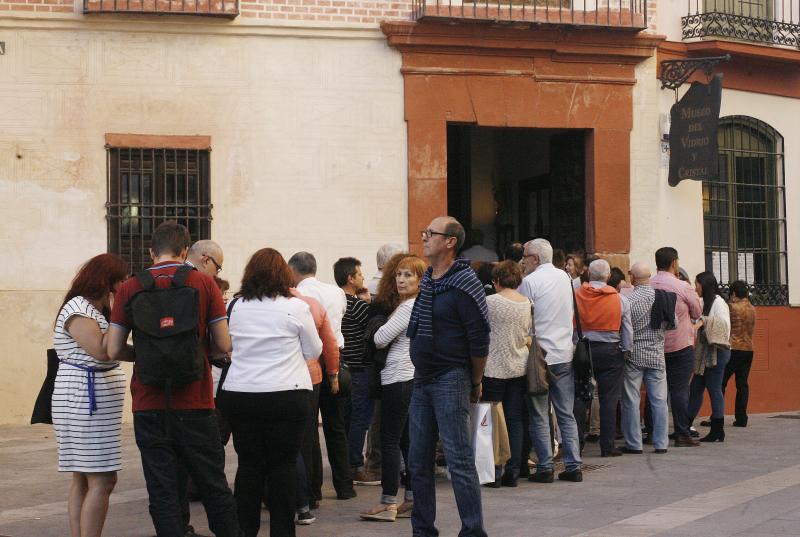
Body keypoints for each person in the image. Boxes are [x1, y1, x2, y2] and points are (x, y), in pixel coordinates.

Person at [107, 221, 240, 537]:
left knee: (163, 489)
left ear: (151, 252)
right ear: (185, 251)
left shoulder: (130, 287)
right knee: (213, 485)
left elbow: (112, 349)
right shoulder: (204, 284)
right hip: (196, 401)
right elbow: (223, 344)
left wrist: (144, 354)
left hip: (149, 403)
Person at [217, 248, 322, 537]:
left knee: (249, 465)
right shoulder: (296, 307)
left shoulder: (234, 306)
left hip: (242, 393)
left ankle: (245, 530)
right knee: (283, 466)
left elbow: (226, 346)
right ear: (284, 275)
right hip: (287, 394)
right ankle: (282, 531)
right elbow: (314, 350)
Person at [407, 216, 490, 537]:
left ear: (450, 241)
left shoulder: (464, 284)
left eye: (431, 233)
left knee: (458, 460)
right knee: (418, 460)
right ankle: (423, 529)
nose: (424, 237)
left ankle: (472, 530)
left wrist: (475, 380)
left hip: (451, 378)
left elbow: (479, 338)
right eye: (424, 232)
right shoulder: (429, 279)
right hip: (422, 379)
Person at [52, 253, 130, 537]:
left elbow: (117, 348)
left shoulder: (97, 310)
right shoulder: (78, 308)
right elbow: (101, 350)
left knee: (85, 478)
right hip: (83, 400)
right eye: (122, 279)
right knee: (102, 479)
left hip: (91, 401)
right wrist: (120, 310)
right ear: (107, 280)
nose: (125, 284)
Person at [360, 254, 426, 522]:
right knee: (407, 441)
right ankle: (410, 498)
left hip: (398, 378)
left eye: (409, 275)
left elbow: (379, 339)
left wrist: (379, 325)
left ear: (422, 280)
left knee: (389, 441)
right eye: (399, 274)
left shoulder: (409, 306)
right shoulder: (416, 304)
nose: (401, 279)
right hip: (408, 378)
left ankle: (387, 502)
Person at [288, 252, 355, 500]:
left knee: (310, 431)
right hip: (338, 353)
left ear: (293, 270)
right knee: (336, 426)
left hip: (313, 360)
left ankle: (313, 490)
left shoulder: (300, 296)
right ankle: (345, 486)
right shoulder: (335, 292)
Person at [519, 239, 583, 483]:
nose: (523, 261)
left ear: (535, 258)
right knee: (566, 413)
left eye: (525, 256)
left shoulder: (530, 282)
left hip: (540, 355)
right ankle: (574, 464)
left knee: (538, 412)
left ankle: (545, 467)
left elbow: (526, 319)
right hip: (564, 351)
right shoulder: (564, 278)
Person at [289, 285, 340, 524]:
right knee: (308, 441)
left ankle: (276, 496)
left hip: (275, 383)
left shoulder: (257, 303)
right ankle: (311, 494)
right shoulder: (312, 304)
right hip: (311, 378)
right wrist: (333, 372)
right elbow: (328, 343)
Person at [573, 259, 633, 457]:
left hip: (583, 350)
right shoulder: (619, 299)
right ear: (608, 277)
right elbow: (627, 330)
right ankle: (607, 447)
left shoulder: (577, 295)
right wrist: (625, 349)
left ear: (588, 275)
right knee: (609, 399)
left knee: (581, 397)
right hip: (610, 351)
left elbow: (570, 323)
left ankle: (576, 444)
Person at [481, 260, 531, 487]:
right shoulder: (526, 302)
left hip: (493, 366)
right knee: (515, 419)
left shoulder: (489, 301)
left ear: (497, 280)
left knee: (491, 421)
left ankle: (494, 470)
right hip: (518, 365)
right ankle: (514, 469)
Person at [620, 263, 675, 455]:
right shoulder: (662, 297)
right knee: (659, 400)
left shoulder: (627, 300)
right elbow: (671, 323)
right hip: (656, 355)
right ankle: (661, 443)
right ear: (649, 277)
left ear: (632, 277)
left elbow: (624, 328)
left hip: (634, 355)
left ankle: (634, 443)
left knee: (631, 399)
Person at [650, 247, 703, 447]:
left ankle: (653, 431)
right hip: (680, 344)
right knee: (679, 390)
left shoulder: (649, 284)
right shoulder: (682, 286)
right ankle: (681, 432)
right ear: (674, 263)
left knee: (655, 388)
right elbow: (697, 310)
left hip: (655, 344)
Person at [364, 243, 406, 484]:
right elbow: (379, 339)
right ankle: (383, 469)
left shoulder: (402, 301)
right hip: (387, 368)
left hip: (392, 369)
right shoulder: (386, 297)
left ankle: (384, 470)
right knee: (386, 423)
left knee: (386, 422)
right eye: (400, 272)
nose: (402, 278)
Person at [334, 257, 375, 484]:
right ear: (351, 278)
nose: (363, 278)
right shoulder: (359, 306)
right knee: (360, 418)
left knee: (346, 418)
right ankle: (355, 465)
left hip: (342, 366)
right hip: (360, 368)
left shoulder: (336, 303)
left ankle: (345, 463)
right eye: (360, 274)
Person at [687, 271, 731, 443]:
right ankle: (685, 426)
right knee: (696, 386)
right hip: (706, 352)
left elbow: (724, 325)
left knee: (714, 388)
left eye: (697, 283)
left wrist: (703, 321)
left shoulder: (719, 303)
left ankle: (718, 430)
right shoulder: (703, 301)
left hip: (717, 352)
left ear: (704, 285)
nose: (695, 287)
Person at [723, 280, 756, 427]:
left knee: (720, 382)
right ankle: (742, 418)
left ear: (734, 294)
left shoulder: (731, 307)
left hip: (734, 348)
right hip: (748, 348)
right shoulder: (752, 308)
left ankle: (716, 416)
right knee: (742, 384)